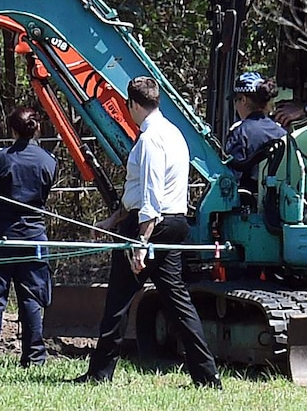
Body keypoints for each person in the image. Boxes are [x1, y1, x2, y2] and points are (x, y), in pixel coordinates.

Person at [73, 76, 222, 388]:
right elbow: (145, 191)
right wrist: (113, 219)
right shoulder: (174, 133)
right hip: (175, 222)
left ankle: (99, 374)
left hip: (151, 226)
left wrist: (141, 242)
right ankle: (207, 376)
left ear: (132, 105)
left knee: (118, 302)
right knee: (178, 301)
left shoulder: (150, 140)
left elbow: (152, 196)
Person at [0, 107, 57, 368]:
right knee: (31, 300)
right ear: (37, 128)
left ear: (12, 130)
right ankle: (34, 358)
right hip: (33, 238)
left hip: (1, 238)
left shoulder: (1, 159)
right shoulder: (49, 161)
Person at [226, 72, 287, 193]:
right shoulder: (282, 133)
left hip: (248, 208)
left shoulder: (240, 134)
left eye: (236, 101)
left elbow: (231, 179)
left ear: (243, 100)